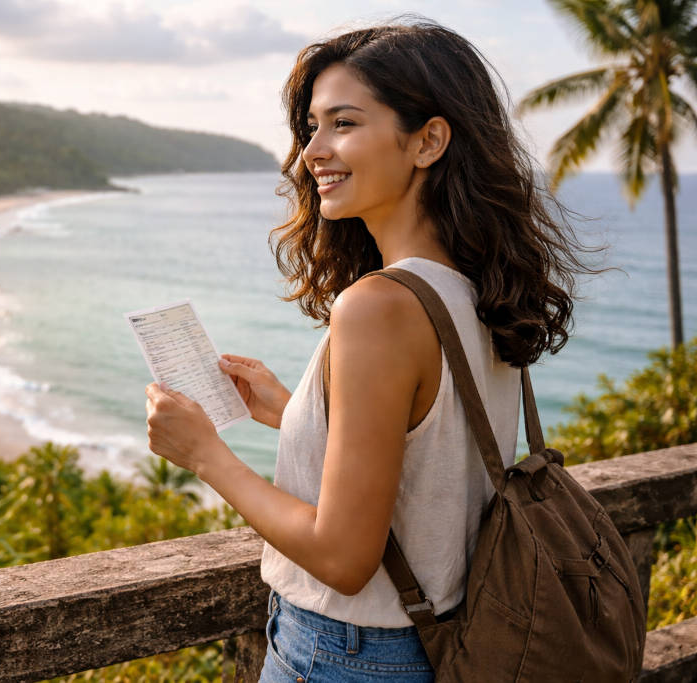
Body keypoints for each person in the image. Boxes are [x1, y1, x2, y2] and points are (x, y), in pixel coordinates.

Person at [144, 20, 590, 682]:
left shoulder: (377, 307)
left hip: (347, 653)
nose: (310, 152)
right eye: (311, 128)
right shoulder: (478, 286)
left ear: (428, 140)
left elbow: (344, 555)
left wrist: (204, 453)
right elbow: (431, 451)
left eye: (342, 124)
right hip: (443, 638)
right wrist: (293, 411)